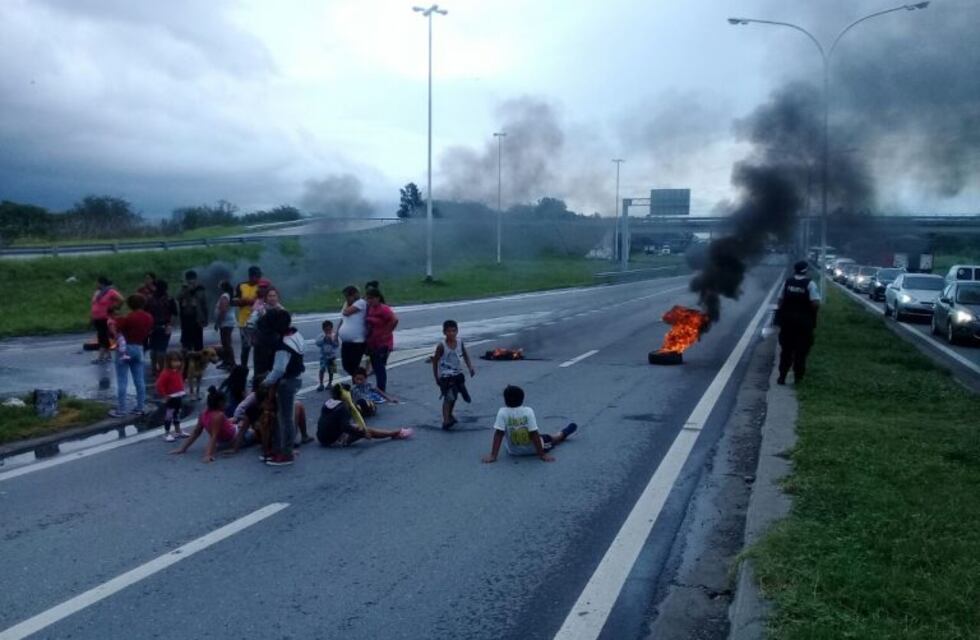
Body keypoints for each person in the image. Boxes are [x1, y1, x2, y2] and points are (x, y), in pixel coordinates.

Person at [482, 385, 578, 463]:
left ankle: (560, 434)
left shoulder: (502, 412)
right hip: (533, 449)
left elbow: (499, 434)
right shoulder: (528, 411)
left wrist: (493, 455)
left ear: (505, 401)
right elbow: (534, 433)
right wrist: (542, 454)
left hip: (513, 451)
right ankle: (563, 434)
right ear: (522, 399)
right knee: (551, 439)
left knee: (538, 436)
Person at [260, 309, 305, 466]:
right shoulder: (295, 335)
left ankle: (286, 454)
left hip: (286, 382)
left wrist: (266, 382)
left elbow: (279, 369)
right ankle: (282, 449)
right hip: (296, 377)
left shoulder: (281, 345)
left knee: (285, 418)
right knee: (285, 416)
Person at [316, 383, 413, 447]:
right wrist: (362, 433)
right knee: (366, 429)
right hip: (332, 441)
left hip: (322, 437)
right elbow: (345, 426)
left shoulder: (328, 403)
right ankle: (395, 433)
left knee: (359, 426)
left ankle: (394, 433)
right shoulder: (343, 407)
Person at [170, 387, 249, 463]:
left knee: (240, 423)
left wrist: (183, 448)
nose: (227, 404)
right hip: (235, 437)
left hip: (231, 431)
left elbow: (196, 432)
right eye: (225, 402)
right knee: (253, 433)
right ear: (220, 403)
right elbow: (214, 436)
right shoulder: (218, 415)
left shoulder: (203, 413)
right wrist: (208, 454)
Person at [774, 260, 821, 385]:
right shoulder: (810, 284)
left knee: (786, 351)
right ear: (806, 270)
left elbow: (780, 300)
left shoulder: (787, 282)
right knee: (801, 351)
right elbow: (815, 303)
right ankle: (798, 379)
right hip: (803, 325)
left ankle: (782, 377)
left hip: (787, 324)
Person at [107, 294, 153, 418]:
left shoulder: (127, 318)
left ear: (129, 305)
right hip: (139, 347)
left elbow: (114, 331)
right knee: (139, 380)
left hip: (125, 349)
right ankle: (140, 407)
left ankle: (121, 409)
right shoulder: (149, 317)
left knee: (122, 380)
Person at [432, 319, 475, 430]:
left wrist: (470, 367)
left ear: (457, 331)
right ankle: (446, 420)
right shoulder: (441, 346)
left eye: (453, 331)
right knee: (449, 397)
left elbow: (465, 354)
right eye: (448, 331)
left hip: (458, 374)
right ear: (444, 332)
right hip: (446, 376)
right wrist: (436, 377)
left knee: (454, 397)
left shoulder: (460, 342)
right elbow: (435, 361)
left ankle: (450, 414)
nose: (451, 333)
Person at [365, 288, 398, 392]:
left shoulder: (383, 309)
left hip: (383, 342)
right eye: (368, 298)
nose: (370, 300)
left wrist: (387, 332)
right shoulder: (370, 308)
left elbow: (395, 320)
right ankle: (378, 387)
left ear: (378, 298)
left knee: (379, 366)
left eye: (372, 298)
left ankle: (381, 388)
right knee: (375, 364)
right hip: (372, 341)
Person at [145, 280, 179, 376]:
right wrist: (170, 325)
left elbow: (146, 313)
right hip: (165, 326)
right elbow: (175, 314)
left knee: (153, 349)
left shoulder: (149, 299)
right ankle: (161, 370)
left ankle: (153, 369)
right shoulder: (169, 299)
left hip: (153, 327)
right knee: (161, 350)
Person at [232, 266, 263, 367]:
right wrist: (243, 301)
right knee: (245, 348)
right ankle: (243, 369)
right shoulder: (241, 286)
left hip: (258, 322)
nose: (258, 279)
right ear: (250, 276)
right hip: (244, 323)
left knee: (258, 348)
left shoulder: (261, 286)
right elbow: (233, 301)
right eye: (256, 277)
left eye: (259, 277)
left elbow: (264, 301)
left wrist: (250, 301)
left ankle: (258, 371)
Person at [249, 287, 284, 376]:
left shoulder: (282, 310)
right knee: (260, 371)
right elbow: (250, 324)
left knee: (275, 369)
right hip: (261, 344)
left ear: (277, 297)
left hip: (276, 344)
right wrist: (253, 337)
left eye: (274, 296)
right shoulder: (260, 309)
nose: (272, 298)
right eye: (270, 296)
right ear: (265, 298)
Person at [155, 351, 188, 441]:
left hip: (178, 396)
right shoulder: (166, 373)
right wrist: (165, 395)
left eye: (179, 361)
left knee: (177, 415)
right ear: (169, 362)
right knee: (169, 416)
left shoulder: (178, 372)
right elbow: (159, 385)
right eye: (174, 361)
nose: (177, 363)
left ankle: (178, 431)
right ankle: (167, 433)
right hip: (171, 398)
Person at [90, 276, 123, 364]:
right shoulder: (97, 292)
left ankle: (100, 357)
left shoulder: (110, 291)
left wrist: (114, 308)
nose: (96, 284)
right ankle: (108, 356)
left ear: (102, 283)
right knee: (103, 336)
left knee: (102, 337)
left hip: (105, 317)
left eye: (97, 283)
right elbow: (94, 304)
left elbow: (121, 300)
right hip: (97, 318)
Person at [337, 285, 368, 376]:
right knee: (346, 365)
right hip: (346, 341)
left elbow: (346, 312)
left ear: (354, 295)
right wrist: (336, 334)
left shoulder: (360, 303)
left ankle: (360, 381)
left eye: (347, 296)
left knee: (354, 365)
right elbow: (342, 319)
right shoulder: (347, 304)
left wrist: (347, 303)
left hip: (357, 341)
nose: (346, 299)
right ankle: (359, 379)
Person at [177, 270, 208, 352]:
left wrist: (205, 319)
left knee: (198, 343)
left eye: (193, 279)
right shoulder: (183, 289)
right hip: (186, 318)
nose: (191, 281)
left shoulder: (200, 289)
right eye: (189, 279)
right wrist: (187, 290)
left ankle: (198, 360)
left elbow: (204, 305)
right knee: (186, 343)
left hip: (197, 318)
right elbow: (178, 297)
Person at [214, 280, 237, 369]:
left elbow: (223, 310)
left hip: (226, 322)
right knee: (226, 343)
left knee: (226, 343)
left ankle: (230, 363)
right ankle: (228, 361)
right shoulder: (230, 295)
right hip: (228, 322)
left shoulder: (225, 296)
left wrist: (218, 322)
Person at [315, 320, 339, 391]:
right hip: (323, 356)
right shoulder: (321, 336)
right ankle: (321, 384)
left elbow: (337, 345)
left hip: (332, 356)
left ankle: (330, 383)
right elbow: (317, 343)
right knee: (322, 369)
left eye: (329, 329)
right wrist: (324, 339)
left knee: (331, 371)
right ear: (323, 329)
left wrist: (332, 341)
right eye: (326, 330)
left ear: (332, 328)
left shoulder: (334, 335)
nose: (328, 331)